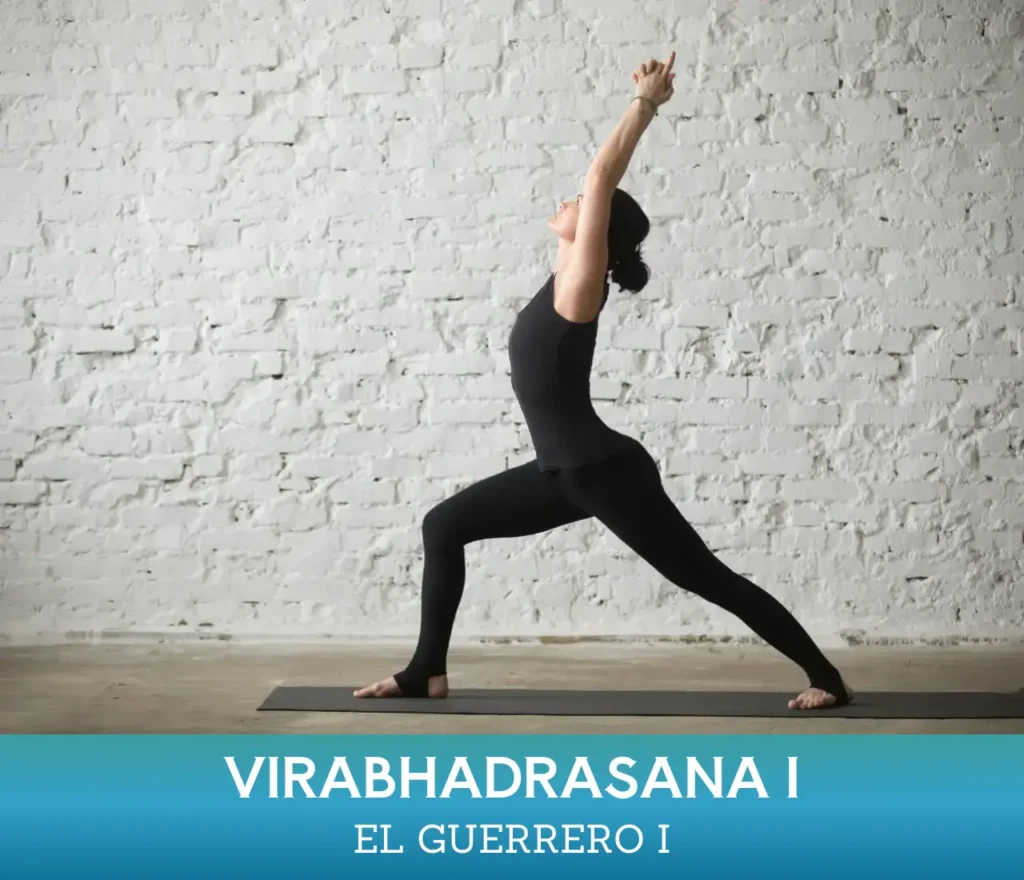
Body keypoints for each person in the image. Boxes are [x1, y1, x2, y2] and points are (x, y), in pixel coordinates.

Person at [356, 52, 852, 710]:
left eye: (585, 204)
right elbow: (591, 192)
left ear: (599, 229)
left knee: (706, 577)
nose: (567, 200)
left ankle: (826, 677)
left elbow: (598, 178)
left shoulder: (579, 289)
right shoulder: (558, 281)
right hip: (558, 473)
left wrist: (644, 103)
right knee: (443, 525)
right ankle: (426, 671)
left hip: (603, 471)